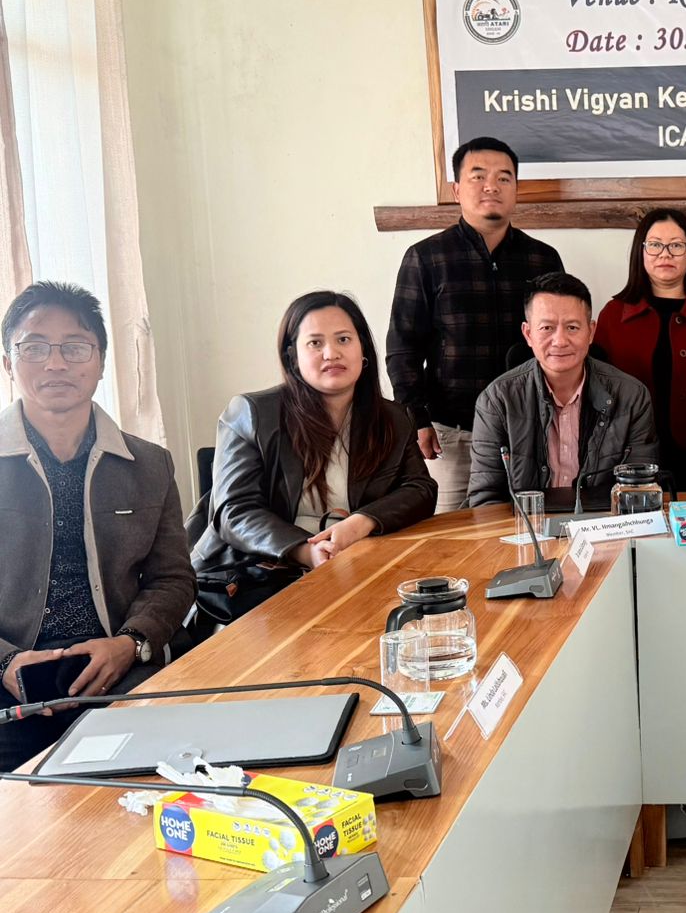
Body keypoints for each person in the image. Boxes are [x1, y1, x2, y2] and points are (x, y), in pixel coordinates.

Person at [0, 282, 194, 771]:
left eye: (75, 346)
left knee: (164, 782)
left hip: (120, 672)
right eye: (35, 347)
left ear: (101, 361)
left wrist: (130, 643)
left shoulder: (149, 464)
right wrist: (6, 663)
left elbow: (173, 578)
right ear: (8, 362)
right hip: (8, 683)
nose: (56, 363)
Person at [192, 292, 437, 621]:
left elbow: (421, 488)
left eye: (343, 339)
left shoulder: (393, 418)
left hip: (356, 568)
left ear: (363, 349)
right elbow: (233, 510)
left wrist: (361, 523)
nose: (331, 353)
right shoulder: (252, 413)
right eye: (315, 343)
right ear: (293, 356)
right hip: (259, 579)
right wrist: (305, 551)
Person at [387, 136, 565, 511]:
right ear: (456, 189)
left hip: (529, 432)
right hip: (451, 435)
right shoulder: (426, 257)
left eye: (503, 178)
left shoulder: (543, 259)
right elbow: (403, 348)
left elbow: (558, 343)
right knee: (450, 535)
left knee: (532, 531)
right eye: (478, 176)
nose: (491, 186)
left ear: (516, 189)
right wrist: (416, 419)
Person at [469, 272, 658, 505]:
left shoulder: (631, 397)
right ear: (528, 334)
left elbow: (639, 492)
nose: (560, 341)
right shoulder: (497, 401)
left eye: (572, 327)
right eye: (547, 328)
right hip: (524, 525)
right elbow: (485, 500)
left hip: (605, 523)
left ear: (591, 332)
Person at [594, 209, 686, 490]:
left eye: (676, 245)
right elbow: (596, 387)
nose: (665, 254)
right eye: (655, 245)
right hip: (627, 455)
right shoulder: (613, 315)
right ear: (641, 253)